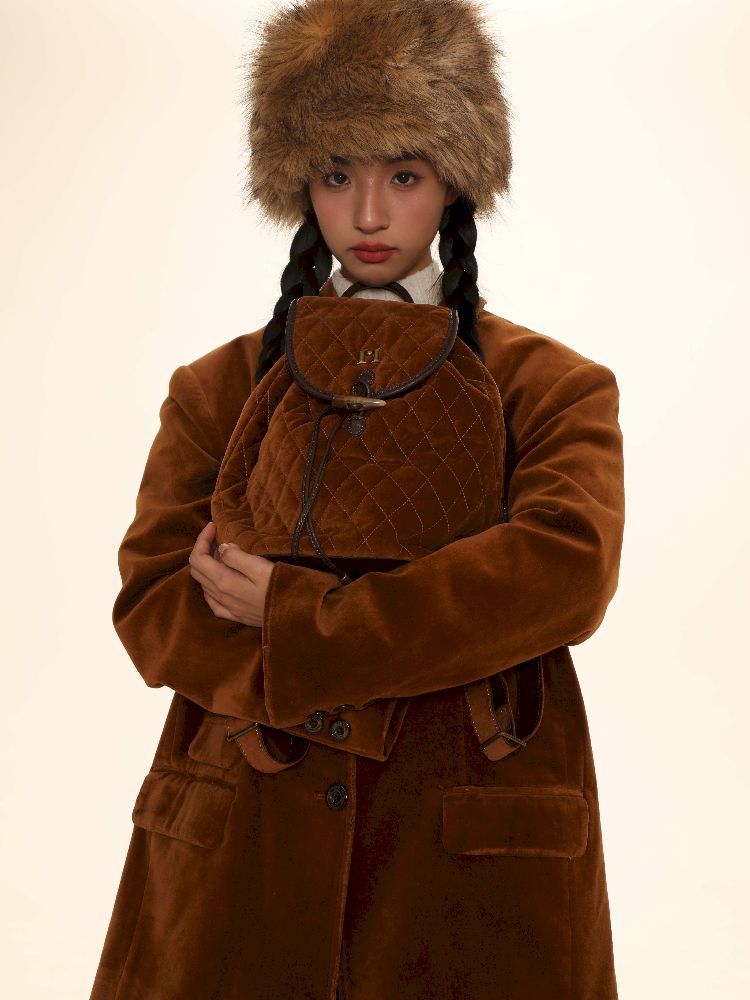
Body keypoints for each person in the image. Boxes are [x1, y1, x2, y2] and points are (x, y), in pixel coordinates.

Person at [89, 2, 625, 998]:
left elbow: (565, 571)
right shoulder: (216, 389)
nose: (369, 215)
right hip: (244, 839)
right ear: (300, 182)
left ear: (454, 180)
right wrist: (387, 639)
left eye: (404, 176)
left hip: (462, 855)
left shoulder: (551, 386)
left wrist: (298, 620)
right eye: (338, 175)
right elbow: (154, 604)